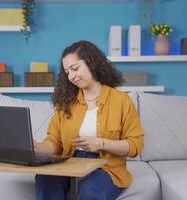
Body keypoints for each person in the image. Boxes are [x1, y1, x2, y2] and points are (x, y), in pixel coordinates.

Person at [34, 40, 143, 200]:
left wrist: (101, 143)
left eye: (75, 68)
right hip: (69, 164)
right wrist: (38, 147)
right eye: (67, 72)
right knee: (45, 178)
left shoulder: (121, 100)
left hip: (105, 167)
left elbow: (135, 145)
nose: (71, 76)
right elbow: (55, 142)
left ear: (91, 63)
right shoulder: (66, 103)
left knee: (88, 190)